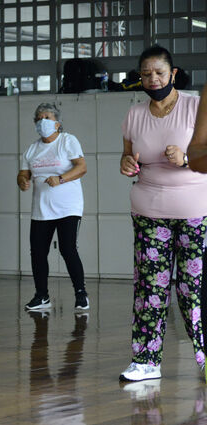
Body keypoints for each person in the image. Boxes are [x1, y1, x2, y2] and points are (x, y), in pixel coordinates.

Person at [119, 45, 207, 382]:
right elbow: (128, 158)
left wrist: (186, 159)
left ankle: (204, 357)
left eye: (159, 72)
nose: (153, 79)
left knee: (192, 288)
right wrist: (126, 164)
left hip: (194, 212)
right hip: (148, 212)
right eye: (145, 74)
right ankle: (145, 361)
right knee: (150, 287)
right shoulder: (134, 115)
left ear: (173, 74)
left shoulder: (195, 107)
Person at [17, 103, 88, 311]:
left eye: (46, 117)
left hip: (68, 208)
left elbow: (82, 167)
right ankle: (42, 296)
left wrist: (61, 178)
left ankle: (81, 293)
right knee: (37, 253)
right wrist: (22, 181)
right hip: (41, 210)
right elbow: (23, 173)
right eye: (38, 118)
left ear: (57, 123)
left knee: (68, 249)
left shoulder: (68, 141)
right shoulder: (32, 149)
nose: (42, 122)